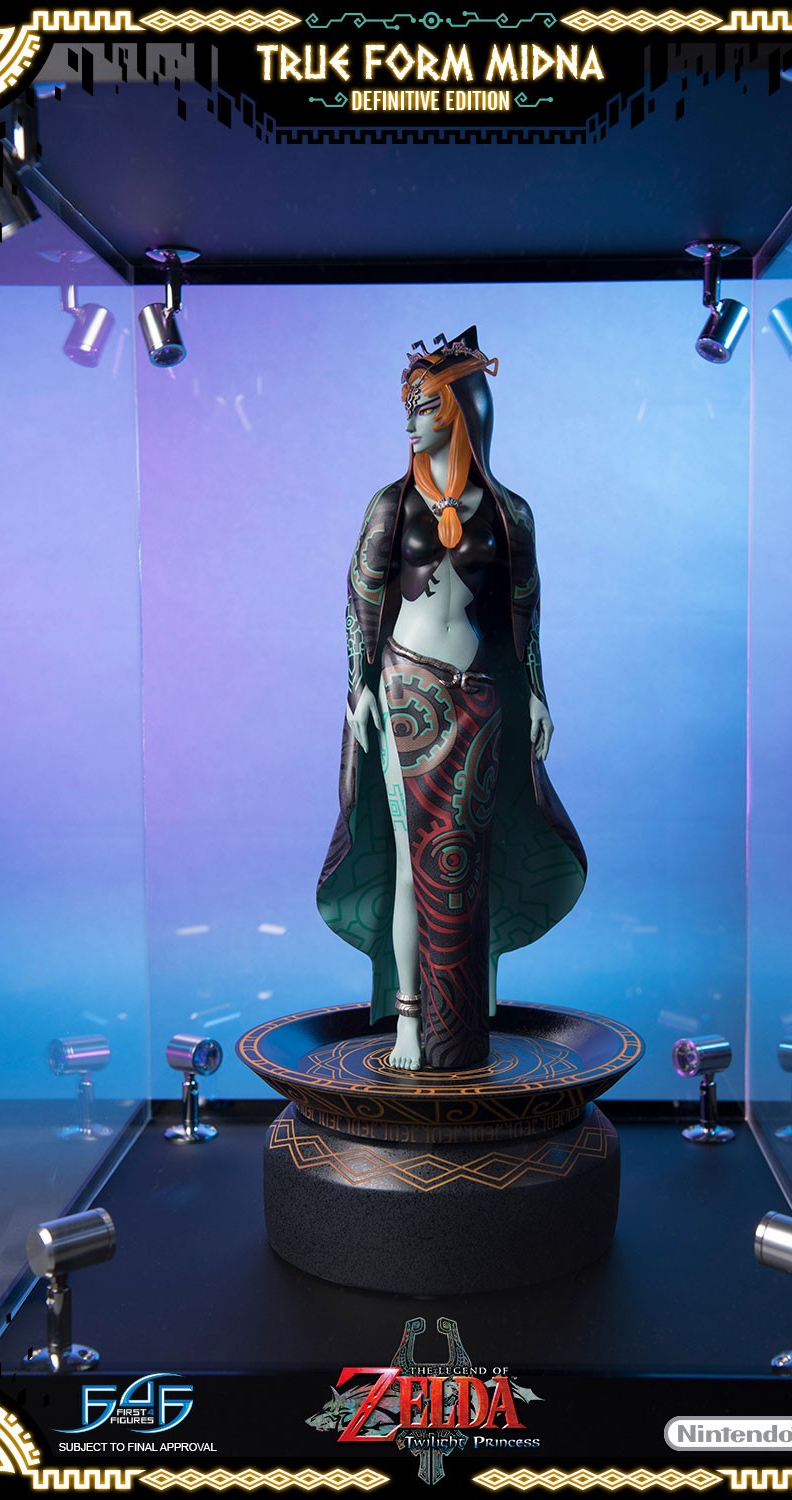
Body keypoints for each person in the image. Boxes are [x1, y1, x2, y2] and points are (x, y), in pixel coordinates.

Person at [317, 327, 585, 1070]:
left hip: (480, 703)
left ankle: (461, 1025)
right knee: (413, 863)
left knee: (464, 863)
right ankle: (410, 1023)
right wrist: (357, 688)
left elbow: (525, 611)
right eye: (407, 405)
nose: (410, 421)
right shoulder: (391, 505)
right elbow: (358, 601)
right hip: (406, 693)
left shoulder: (508, 514)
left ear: (463, 411)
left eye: (426, 406)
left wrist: (536, 693)